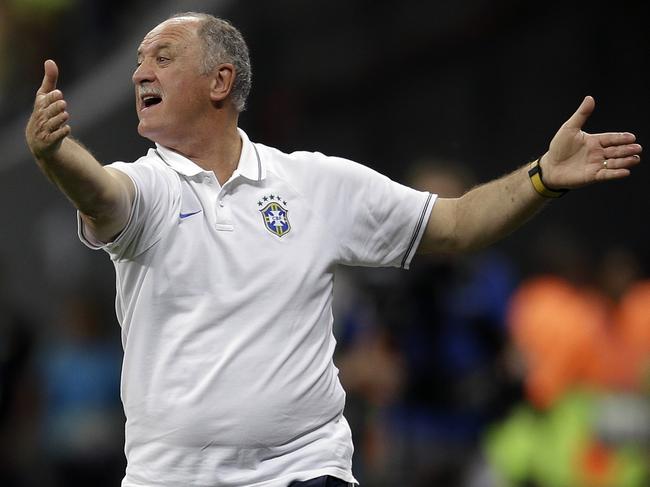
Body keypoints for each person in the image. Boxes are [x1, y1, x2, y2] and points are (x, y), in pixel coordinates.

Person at [24, 10, 642, 487]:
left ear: (221, 80)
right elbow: (101, 192)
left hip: (304, 471)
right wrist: (58, 155)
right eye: (138, 61)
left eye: (162, 57)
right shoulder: (149, 185)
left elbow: (455, 224)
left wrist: (541, 176)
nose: (139, 73)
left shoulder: (314, 182)